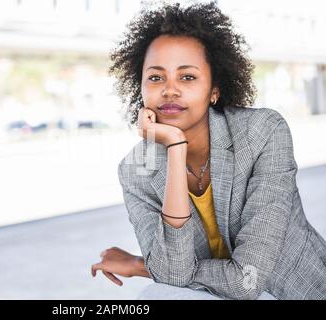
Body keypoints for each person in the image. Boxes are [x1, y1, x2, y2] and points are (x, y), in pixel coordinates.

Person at [90, 2, 326, 300]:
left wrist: (142, 265)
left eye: (187, 77)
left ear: (214, 89)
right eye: (155, 77)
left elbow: (247, 281)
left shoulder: (262, 131)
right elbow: (172, 275)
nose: (170, 89)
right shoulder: (136, 169)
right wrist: (175, 148)